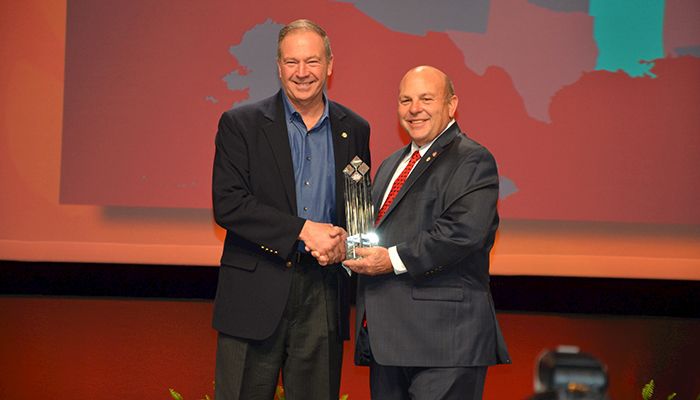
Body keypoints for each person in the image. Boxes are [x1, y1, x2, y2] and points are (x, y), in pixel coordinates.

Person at [211, 19, 371, 400]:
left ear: (330, 65)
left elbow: (358, 209)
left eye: (312, 61)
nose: (302, 73)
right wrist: (304, 229)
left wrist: (346, 240)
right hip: (254, 291)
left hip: (323, 294)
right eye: (292, 62)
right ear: (279, 67)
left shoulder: (356, 129)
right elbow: (229, 204)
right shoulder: (241, 124)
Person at [343, 66, 510, 399]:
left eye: (426, 98)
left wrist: (390, 260)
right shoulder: (393, 163)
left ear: (451, 105)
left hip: (444, 343)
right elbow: (372, 230)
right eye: (405, 100)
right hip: (389, 343)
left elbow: (463, 232)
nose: (413, 108)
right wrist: (344, 248)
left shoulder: (472, 159)